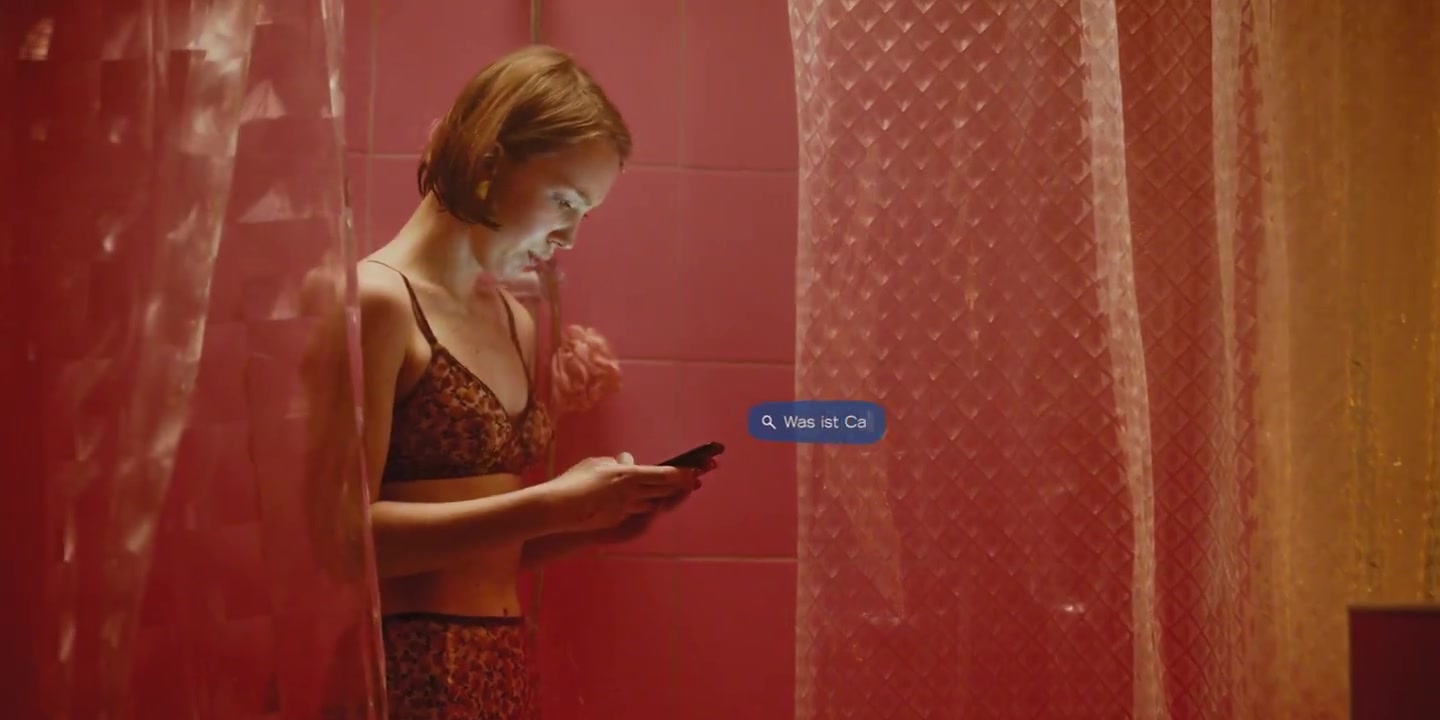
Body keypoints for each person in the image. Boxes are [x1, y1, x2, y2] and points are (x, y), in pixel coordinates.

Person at [357, 45, 715, 718]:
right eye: (564, 199)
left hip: (498, 673)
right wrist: (552, 505)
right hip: (401, 674)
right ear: (487, 161)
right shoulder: (377, 301)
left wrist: (597, 522)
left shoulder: (514, 321)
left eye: (587, 211)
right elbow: (342, 547)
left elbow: (472, 552)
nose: (571, 234)